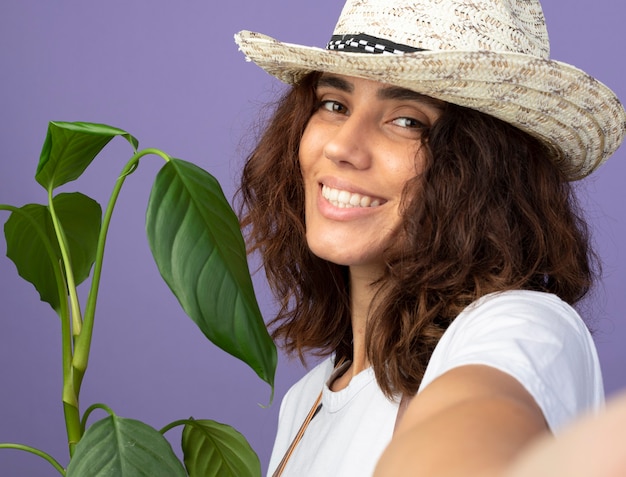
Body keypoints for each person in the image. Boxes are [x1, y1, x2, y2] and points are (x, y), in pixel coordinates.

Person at [233, 0, 626, 475]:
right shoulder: (306, 402)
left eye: (407, 121)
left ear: (483, 168)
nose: (341, 147)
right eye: (334, 105)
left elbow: (468, 431)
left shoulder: (518, 327)